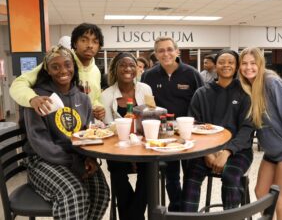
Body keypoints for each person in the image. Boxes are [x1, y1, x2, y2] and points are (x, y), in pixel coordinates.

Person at [23, 45, 110, 219]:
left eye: (67, 64)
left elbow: (89, 134)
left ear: (74, 67)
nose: (63, 70)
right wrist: (72, 162)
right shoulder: (38, 99)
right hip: (42, 160)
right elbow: (39, 141)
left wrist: (90, 157)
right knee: (74, 193)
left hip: (78, 157)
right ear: (47, 70)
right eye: (55, 66)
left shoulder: (83, 98)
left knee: (101, 193)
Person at [181, 49, 254, 212]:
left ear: (236, 68)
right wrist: (207, 153)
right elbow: (193, 125)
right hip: (204, 150)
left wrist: (227, 151)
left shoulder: (245, 94)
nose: (226, 65)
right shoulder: (201, 93)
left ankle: (231, 215)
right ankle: (187, 217)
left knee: (230, 176)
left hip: (238, 151)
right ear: (215, 66)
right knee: (190, 176)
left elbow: (247, 129)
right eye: (222, 62)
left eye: (231, 62)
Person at [141, 36, 203, 211]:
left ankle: (188, 211)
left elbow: (201, 103)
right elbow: (146, 106)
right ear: (156, 54)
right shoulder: (148, 76)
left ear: (177, 51)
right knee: (171, 176)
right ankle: (176, 209)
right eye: (161, 50)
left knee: (191, 176)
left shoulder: (192, 74)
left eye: (169, 49)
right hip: (164, 136)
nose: (166, 53)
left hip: (188, 134)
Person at [238, 47, 282, 220]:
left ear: (260, 64)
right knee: (262, 193)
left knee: (281, 201)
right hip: (272, 151)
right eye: (244, 63)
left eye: (253, 63)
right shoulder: (249, 86)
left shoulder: (272, 83)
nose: (248, 67)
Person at [9, 23, 105, 120]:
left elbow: (95, 98)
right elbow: (18, 83)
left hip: (82, 128)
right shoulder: (59, 61)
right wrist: (32, 98)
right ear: (75, 43)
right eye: (84, 40)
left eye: (95, 42)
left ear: (99, 47)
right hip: (53, 124)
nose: (89, 45)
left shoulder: (96, 71)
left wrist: (98, 108)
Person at [102, 52, 152, 220]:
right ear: (115, 69)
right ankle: (136, 216)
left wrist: (137, 152)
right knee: (117, 173)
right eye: (123, 65)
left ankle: (131, 217)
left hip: (144, 147)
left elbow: (151, 119)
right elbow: (109, 130)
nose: (128, 68)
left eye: (132, 65)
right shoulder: (107, 95)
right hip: (118, 149)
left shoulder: (145, 89)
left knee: (150, 172)